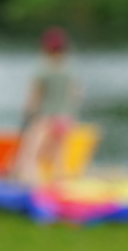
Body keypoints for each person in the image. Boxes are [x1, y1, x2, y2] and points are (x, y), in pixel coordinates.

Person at [16, 26, 82, 181]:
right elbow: (77, 95)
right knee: (58, 156)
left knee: (31, 154)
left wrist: (27, 114)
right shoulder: (69, 71)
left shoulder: (43, 70)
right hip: (65, 119)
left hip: (45, 119)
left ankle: (31, 184)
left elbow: (34, 98)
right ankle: (60, 184)